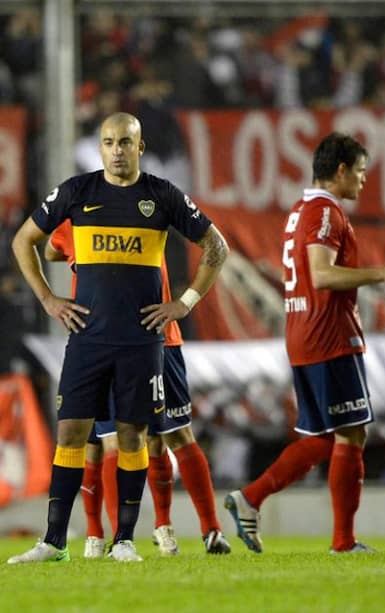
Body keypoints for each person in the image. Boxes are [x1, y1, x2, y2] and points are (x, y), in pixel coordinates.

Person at [7, 112, 228, 563]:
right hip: (87, 340)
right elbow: (28, 241)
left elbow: (215, 245)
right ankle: (54, 541)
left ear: (140, 147)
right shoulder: (76, 193)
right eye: (109, 142)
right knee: (72, 433)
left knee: (135, 438)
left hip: (145, 341)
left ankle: (125, 539)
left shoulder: (161, 195)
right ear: (101, 146)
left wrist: (184, 302)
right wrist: (49, 300)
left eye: (125, 142)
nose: (117, 150)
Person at [225, 132, 385, 554]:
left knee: (323, 438)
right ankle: (341, 540)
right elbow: (322, 274)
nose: (364, 181)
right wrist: (383, 274)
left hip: (306, 333)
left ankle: (252, 498)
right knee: (350, 437)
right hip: (328, 336)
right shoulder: (324, 213)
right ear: (340, 171)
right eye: (361, 172)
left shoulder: (300, 211)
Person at [45, 220, 231, 557]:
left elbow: (211, 242)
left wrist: (184, 301)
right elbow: (49, 247)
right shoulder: (81, 212)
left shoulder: (148, 202)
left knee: (171, 435)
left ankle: (203, 529)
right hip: (103, 340)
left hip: (159, 337)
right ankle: (113, 538)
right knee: (110, 440)